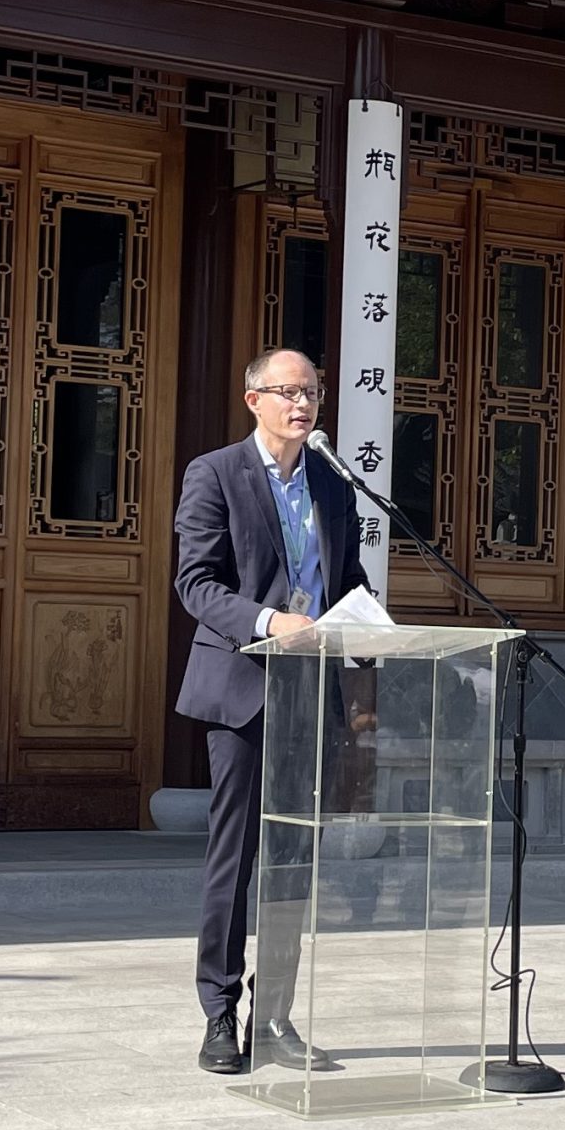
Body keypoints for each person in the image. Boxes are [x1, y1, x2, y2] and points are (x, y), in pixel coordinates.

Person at [173, 348, 366, 1075]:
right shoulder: (215, 474)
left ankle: (274, 1015)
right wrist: (266, 621)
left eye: (312, 392)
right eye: (289, 392)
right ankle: (219, 1013)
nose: (304, 405)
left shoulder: (333, 484)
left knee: (294, 861)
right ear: (253, 399)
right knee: (239, 854)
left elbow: (346, 578)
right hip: (245, 686)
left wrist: (367, 627)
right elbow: (195, 582)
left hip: (314, 689)